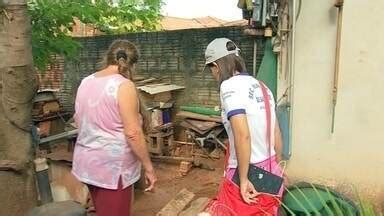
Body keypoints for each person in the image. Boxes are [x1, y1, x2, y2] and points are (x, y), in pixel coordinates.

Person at [72, 40, 156, 216]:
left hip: (87, 164)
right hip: (112, 169)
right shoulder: (124, 86)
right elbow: (133, 133)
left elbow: (78, 121)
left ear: (107, 57)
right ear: (132, 65)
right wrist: (148, 167)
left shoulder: (86, 81)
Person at [204, 38, 284, 215]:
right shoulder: (262, 87)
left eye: (211, 68)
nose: (213, 73)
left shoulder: (229, 86)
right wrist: (276, 169)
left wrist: (244, 179)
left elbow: (242, 135)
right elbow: (276, 132)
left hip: (248, 172)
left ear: (217, 66)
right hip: (271, 170)